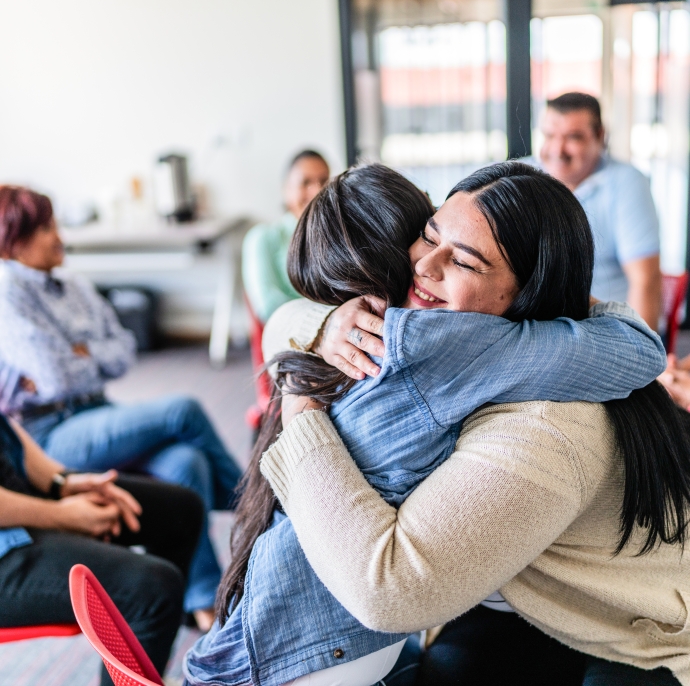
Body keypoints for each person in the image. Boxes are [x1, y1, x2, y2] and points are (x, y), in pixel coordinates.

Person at [184, 163, 667, 686]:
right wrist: (321, 327)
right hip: (471, 597)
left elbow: (387, 594)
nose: (425, 266)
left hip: (609, 638)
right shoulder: (421, 334)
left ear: (528, 297)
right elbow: (282, 322)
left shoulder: (522, 411)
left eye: (465, 261)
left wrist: (301, 397)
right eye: (430, 235)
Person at [0, 185, 243, 632]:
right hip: (50, 432)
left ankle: (205, 604)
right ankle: (255, 504)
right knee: (182, 410)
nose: (60, 235)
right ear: (15, 239)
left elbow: (125, 349)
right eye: (46, 227)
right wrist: (87, 353)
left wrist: (76, 353)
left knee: (186, 461)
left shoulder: (71, 283)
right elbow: (54, 378)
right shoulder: (7, 291)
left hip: (97, 411)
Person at [0, 411, 203, 686]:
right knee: (153, 589)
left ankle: (144, 666)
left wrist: (63, 483)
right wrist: (61, 516)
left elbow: (6, 430)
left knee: (181, 511)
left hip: (22, 497)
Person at [529, 92, 662, 329]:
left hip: (604, 331)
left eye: (573, 137)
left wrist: (641, 354)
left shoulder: (627, 182)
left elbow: (645, 281)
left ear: (600, 136)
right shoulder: (519, 177)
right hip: (537, 328)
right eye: (549, 135)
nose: (557, 150)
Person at [242, 149, 330, 323]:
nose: (317, 192)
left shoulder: (340, 237)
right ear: (286, 189)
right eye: (305, 183)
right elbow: (268, 306)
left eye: (324, 181)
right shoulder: (263, 238)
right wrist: (331, 318)